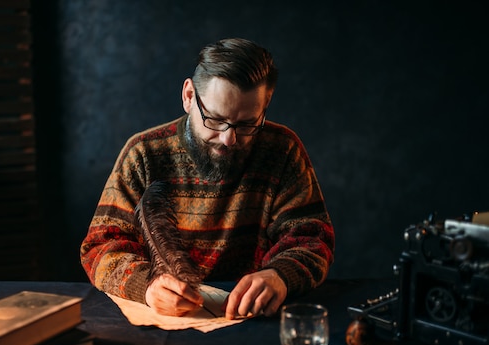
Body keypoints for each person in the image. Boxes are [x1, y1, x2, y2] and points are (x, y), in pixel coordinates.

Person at [80, 38, 334, 319]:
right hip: (165, 323)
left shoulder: (283, 149)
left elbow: (312, 238)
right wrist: (146, 285)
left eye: (248, 123)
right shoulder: (143, 154)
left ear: (266, 103)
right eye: (214, 119)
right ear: (189, 96)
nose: (229, 138)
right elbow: (99, 247)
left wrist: (281, 276)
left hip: (254, 321)